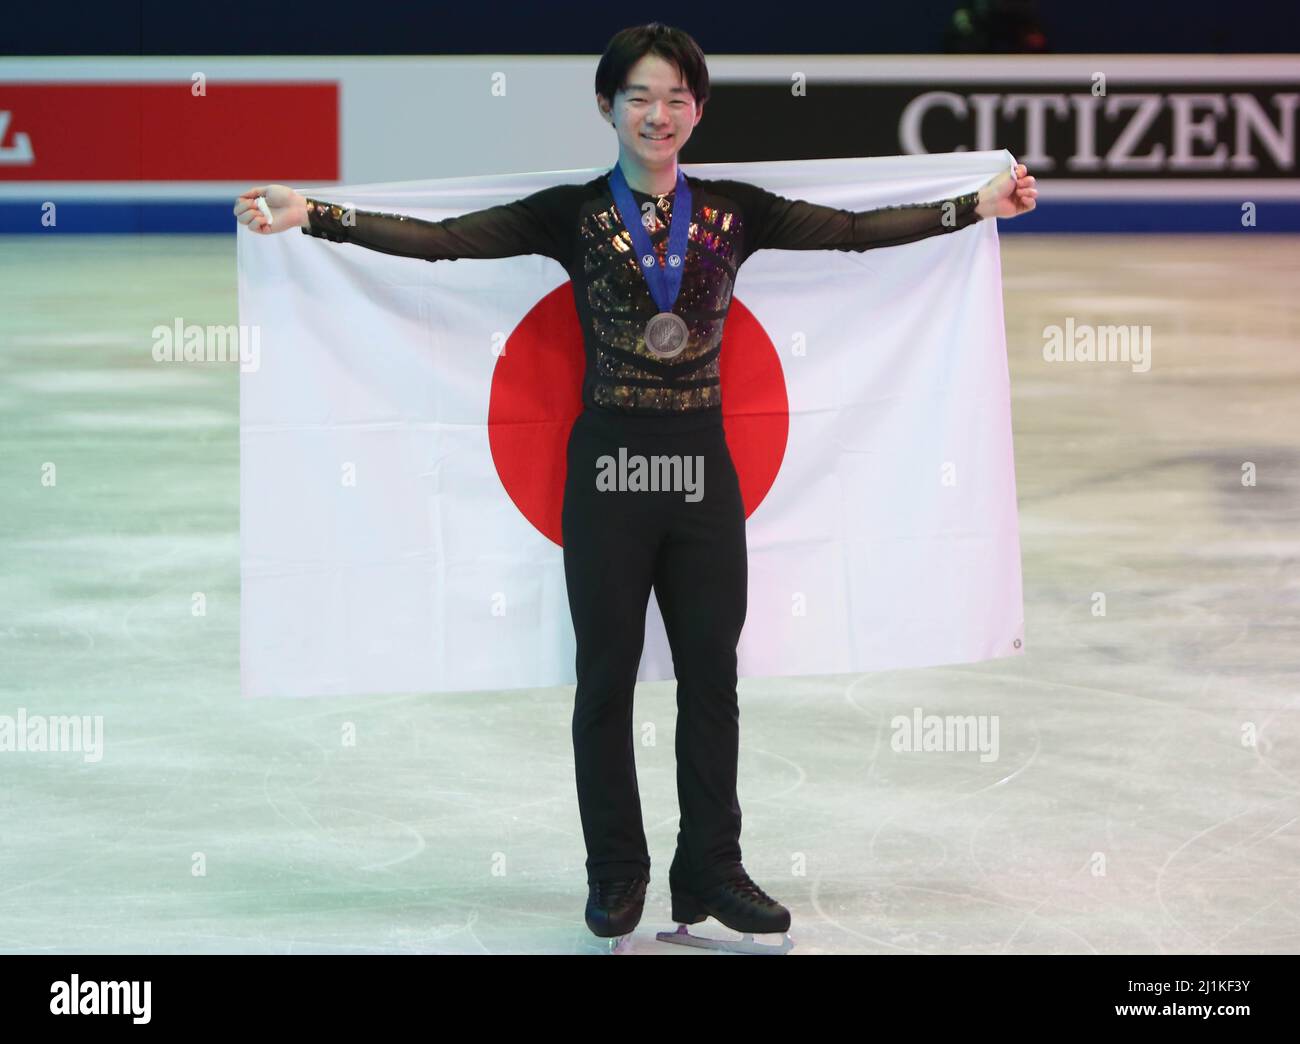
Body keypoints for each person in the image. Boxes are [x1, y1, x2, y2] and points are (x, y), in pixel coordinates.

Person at [234, 23, 1037, 954]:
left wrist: (974, 206)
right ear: (607, 107)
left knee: (712, 682)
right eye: (641, 97)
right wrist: (317, 213)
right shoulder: (571, 215)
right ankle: (615, 875)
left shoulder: (737, 211)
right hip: (609, 474)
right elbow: (445, 243)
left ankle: (712, 870)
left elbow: (857, 234)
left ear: (699, 109)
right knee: (605, 683)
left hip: (702, 478)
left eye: (677, 98)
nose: (660, 114)